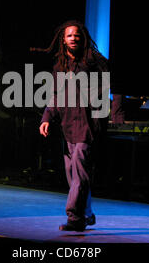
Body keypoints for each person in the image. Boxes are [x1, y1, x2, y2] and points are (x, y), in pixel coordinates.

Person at [31, 20, 124, 231]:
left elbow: (115, 84)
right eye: (69, 35)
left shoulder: (94, 60)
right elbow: (55, 94)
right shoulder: (60, 64)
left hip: (88, 122)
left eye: (77, 35)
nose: (74, 38)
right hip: (66, 125)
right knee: (73, 175)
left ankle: (75, 218)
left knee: (80, 172)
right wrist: (46, 117)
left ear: (83, 37)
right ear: (63, 40)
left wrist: (116, 114)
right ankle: (87, 213)